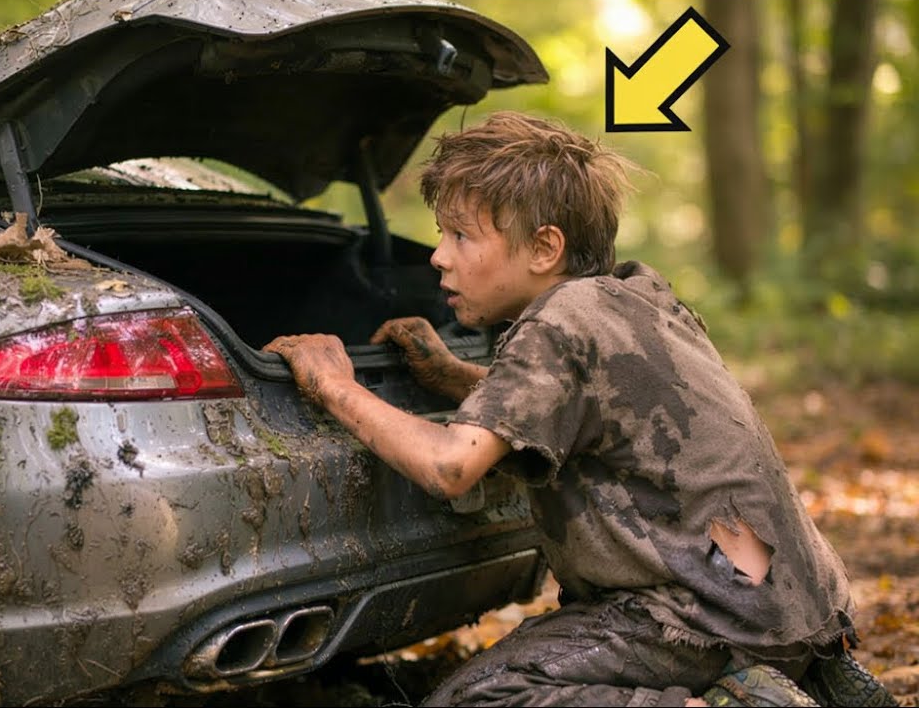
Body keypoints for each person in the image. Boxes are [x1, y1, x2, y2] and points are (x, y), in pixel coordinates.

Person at [263, 111, 896, 707]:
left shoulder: (558, 322)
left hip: (703, 615)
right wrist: (456, 377)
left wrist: (335, 386)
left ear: (544, 249)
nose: (438, 256)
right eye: (441, 235)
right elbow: (591, 408)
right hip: (792, 599)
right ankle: (801, 672)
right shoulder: (635, 295)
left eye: (462, 235)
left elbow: (451, 467)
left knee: (481, 698)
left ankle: (727, 697)